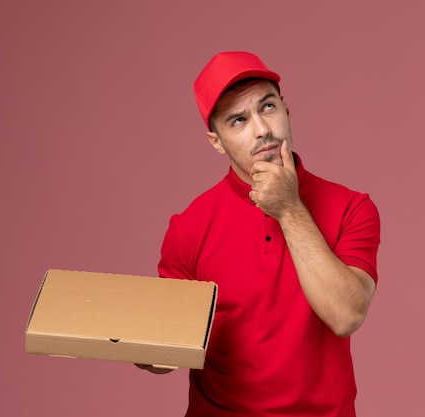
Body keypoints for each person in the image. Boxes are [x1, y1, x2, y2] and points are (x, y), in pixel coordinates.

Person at [139, 51, 381, 417]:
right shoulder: (188, 227)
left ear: (286, 110)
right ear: (216, 141)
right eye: (238, 120)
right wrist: (141, 347)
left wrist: (289, 208)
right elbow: (168, 348)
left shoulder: (352, 207)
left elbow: (346, 315)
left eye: (267, 107)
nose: (262, 129)